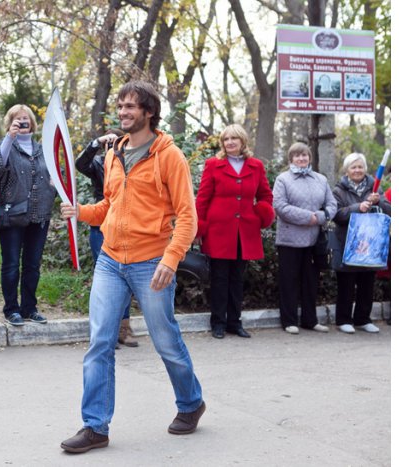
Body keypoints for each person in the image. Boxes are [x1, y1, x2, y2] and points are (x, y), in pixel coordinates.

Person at [60, 80, 205, 454]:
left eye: (130, 107)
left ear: (149, 112)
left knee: (165, 340)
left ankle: (190, 403)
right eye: (120, 106)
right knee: (100, 343)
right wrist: (82, 213)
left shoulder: (169, 156)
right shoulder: (114, 154)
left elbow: (187, 216)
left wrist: (170, 260)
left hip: (151, 261)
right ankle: (95, 426)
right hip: (111, 259)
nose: (123, 112)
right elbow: (110, 205)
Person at [195, 123, 274, 339]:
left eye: (234, 139)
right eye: (226, 139)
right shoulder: (213, 164)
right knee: (219, 278)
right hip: (219, 229)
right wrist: (199, 226)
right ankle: (218, 323)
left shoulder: (256, 166)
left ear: (242, 141)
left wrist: (262, 212)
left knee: (238, 279)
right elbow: (202, 198)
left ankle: (234, 322)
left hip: (245, 231)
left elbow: (266, 195)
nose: (229, 142)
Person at [0, 104, 55, 326]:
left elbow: (56, 175)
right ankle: (11, 309)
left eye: (26, 119)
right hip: (11, 216)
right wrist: (10, 136)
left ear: (33, 123)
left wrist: (56, 184)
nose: (23, 123)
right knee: (11, 264)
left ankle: (29, 308)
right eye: (18, 119)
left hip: (39, 216)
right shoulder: (5, 146)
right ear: (10, 123)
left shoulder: (44, 149)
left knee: (33, 265)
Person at [76, 129, 138, 347]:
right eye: (109, 142)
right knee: (105, 279)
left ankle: (124, 327)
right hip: (100, 225)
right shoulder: (100, 164)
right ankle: (106, 330)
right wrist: (97, 141)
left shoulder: (131, 163)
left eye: (116, 142)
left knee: (126, 276)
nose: (112, 146)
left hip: (125, 225)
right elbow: (80, 164)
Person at [272, 143, 337, 334]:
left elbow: (332, 204)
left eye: (305, 155)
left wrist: (321, 216)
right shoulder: (283, 179)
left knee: (311, 282)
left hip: (314, 241)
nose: (301, 158)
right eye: (297, 155)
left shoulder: (321, 179)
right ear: (291, 159)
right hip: (289, 240)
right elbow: (280, 207)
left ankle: (310, 320)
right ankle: (289, 321)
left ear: (309, 157)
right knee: (289, 282)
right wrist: (309, 217)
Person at [332, 153, 390, 334]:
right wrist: (358, 207)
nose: (357, 170)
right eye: (353, 167)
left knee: (367, 282)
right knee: (346, 282)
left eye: (360, 167)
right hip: (347, 242)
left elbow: (389, 210)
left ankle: (363, 319)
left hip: (370, 243)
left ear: (365, 169)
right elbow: (337, 215)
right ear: (347, 170)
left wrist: (378, 200)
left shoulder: (375, 189)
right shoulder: (338, 191)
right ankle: (343, 319)